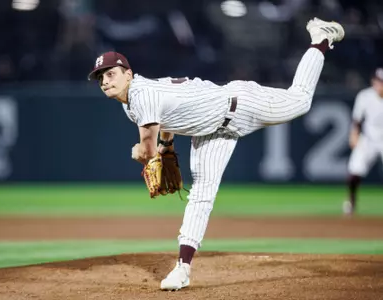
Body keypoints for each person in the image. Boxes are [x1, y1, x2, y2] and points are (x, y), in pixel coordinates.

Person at [87, 17, 344, 291]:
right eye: (101, 77)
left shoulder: (140, 95)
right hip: (212, 131)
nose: (105, 81)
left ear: (129, 73)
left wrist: (140, 151)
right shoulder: (131, 102)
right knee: (201, 195)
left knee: (300, 101)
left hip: (239, 104)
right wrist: (167, 146)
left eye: (111, 73)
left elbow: (146, 152)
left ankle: (321, 38)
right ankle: (183, 268)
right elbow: (166, 121)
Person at [343, 67, 383, 216]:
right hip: (369, 139)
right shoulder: (365, 96)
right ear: (373, 82)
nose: (380, 85)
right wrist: (354, 135)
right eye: (379, 82)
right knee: (354, 172)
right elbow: (357, 120)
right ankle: (351, 202)